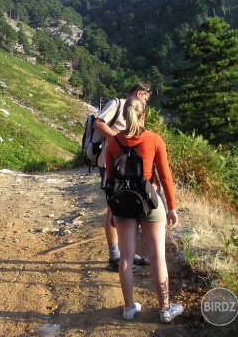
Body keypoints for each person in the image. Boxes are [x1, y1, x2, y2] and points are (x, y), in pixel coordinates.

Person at [105, 97, 183, 323]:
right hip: (149, 202)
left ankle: (129, 308)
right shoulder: (154, 139)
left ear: (124, 117)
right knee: (157, 256)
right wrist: (172, 207)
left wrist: (111, 210)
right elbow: (165, 176)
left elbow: (110, 180)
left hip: (122, 203)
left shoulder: (113, 142)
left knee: (126, 257)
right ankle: (165, 309)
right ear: (143, 116)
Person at [93, 83, 153, 272]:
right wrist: (119, 141)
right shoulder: (117, 104)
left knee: (128, 208)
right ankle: (115, 256)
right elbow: (99, 123)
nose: (145, 103)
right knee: (114, 207)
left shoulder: (135, 110)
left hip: (129, 166)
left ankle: (127, 252)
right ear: (139, 93)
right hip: (111, 163)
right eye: (145, 99)